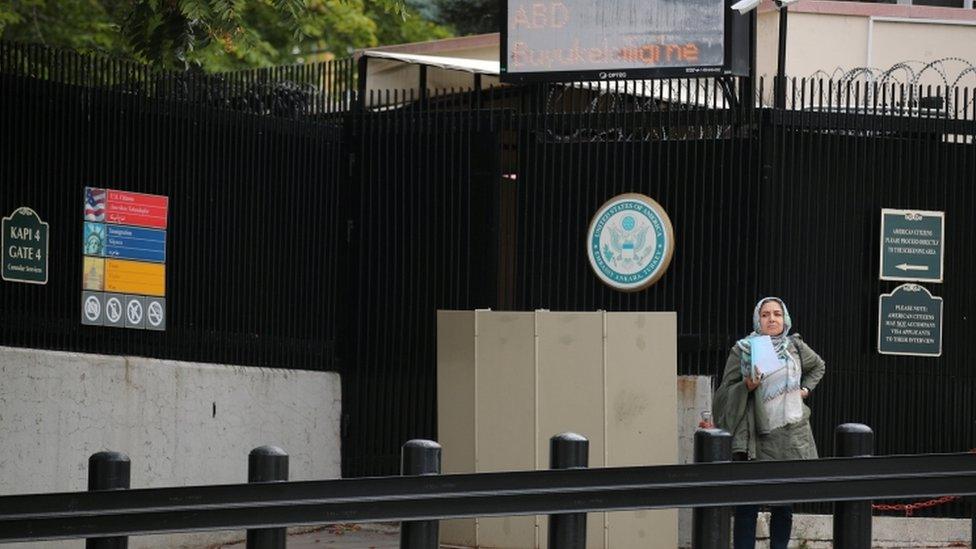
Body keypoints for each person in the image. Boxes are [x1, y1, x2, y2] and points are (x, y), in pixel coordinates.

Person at [712, 297, 826, 549]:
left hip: (788, 436)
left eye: (777, 314)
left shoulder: (794, 346)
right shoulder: (742, 350)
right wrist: (746, 386)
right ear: (757, 319)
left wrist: (805, 389)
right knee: (747, 507)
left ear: (784, 318)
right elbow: (722, 395)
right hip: (754, 437)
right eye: (765, 314)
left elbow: (818, 366)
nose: (771, 319)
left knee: (783, 507)